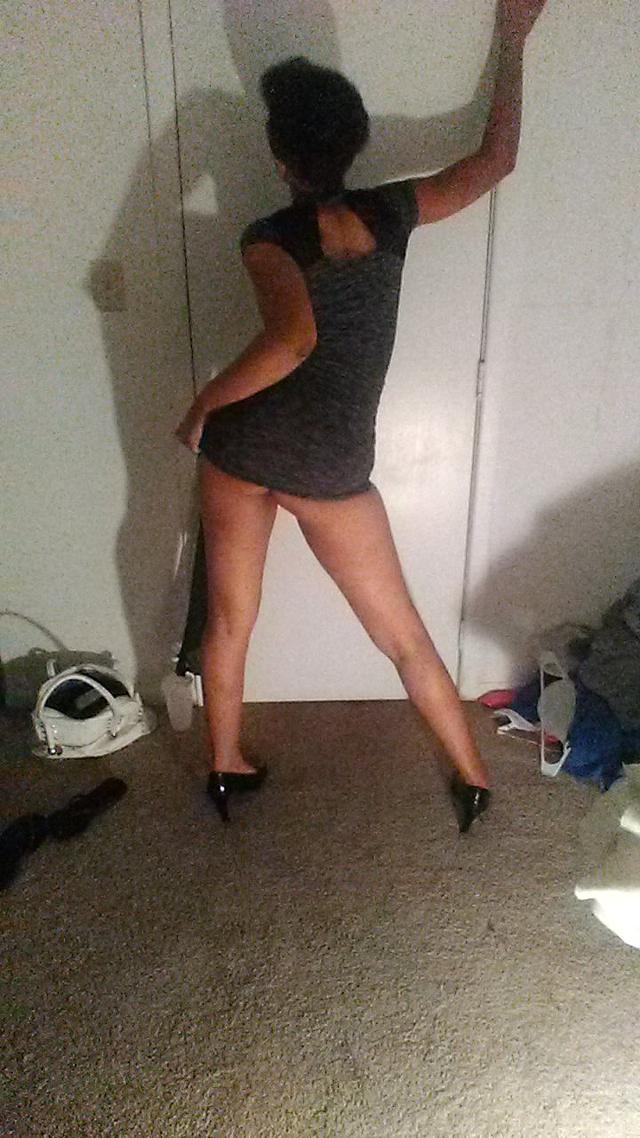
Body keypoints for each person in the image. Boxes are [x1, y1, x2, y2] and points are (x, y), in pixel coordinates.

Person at [176, 0, 547, 829]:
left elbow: (291, 339)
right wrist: (512, 41)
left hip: (245, 443)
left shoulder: (269, 236)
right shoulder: (391, 212)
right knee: (403, 634)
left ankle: (226, 768)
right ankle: (471, 777)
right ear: (355, 144)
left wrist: (202, 405)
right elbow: (496, 160)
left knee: (231, 621)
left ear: (279, 158)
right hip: (331, 461)